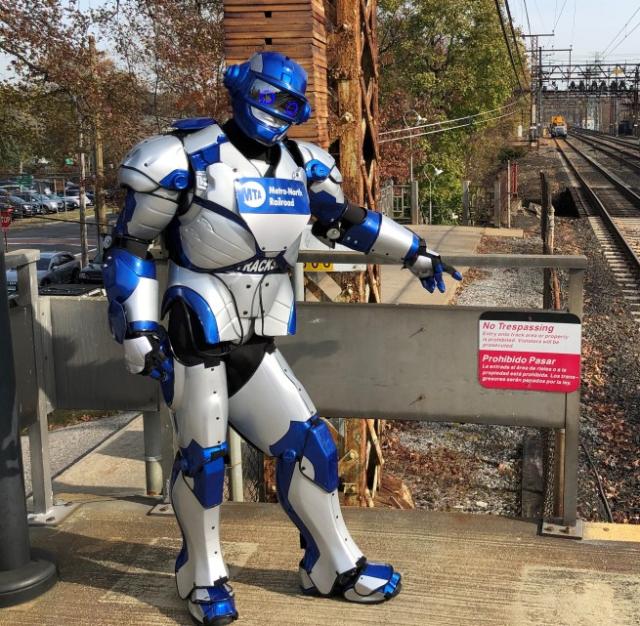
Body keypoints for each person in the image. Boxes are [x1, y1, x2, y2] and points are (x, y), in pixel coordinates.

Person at [102, 51, 461, 625]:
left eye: (289, 104)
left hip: (253, 338)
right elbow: (130, 244)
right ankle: (201, 574)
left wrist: (415, 252)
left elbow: (346, 221)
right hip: (196, 334)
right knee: (204, 460)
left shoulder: (303, 164)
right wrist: (137, 327)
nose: (275, 112)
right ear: (240, 88)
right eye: (267, 96)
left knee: (310, 444)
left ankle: (333, 566)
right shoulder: (181, 156)